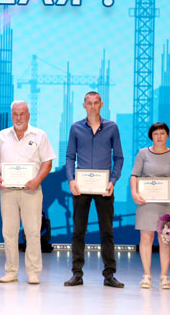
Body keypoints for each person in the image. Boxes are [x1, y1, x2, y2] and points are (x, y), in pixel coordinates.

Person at [64, 91, 125, 288]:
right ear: (84, 105)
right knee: (78, 232)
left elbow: (119, 158)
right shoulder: (75, 128)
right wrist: (71, 180)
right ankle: (77, 274)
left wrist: (113, 181)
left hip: (104, 187)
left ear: (101, 104)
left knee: (107, 232)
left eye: (96, 103)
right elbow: (70, 157)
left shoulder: (112, 128)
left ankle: (109, 275)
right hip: (81, 187)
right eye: (89, 103)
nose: (92, 106)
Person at [0, 100, 54, 285]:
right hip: (8, 192)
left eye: (22, 114)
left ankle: (33, 273)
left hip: (31, 191)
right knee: (8, 232)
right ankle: (11, 271)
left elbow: (47, 162)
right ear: (11, 116)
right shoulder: (2, 136)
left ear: (28, 116)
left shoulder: (40, 135)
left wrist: (37, 180)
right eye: (15, 114)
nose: (18, 118)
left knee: (33, 232)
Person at [130, 122, 170, 289]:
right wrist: (134, 193)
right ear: (151, 136)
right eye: (156, 134)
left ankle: (164, 276)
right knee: (146, 237)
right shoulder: (142, 153)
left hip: (167, 202)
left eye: (162, 133)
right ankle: (146, 275)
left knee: (165, 239)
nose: (159, 137)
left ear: (167, 135)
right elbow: (134, 175)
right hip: (146, 201)